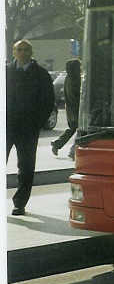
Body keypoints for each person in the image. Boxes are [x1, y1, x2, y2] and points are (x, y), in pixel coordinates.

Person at [6, 39, 55, 216]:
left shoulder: (41, 74)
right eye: (19, 49)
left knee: (26, 168)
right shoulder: (6, 72)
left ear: (31, 52)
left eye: (26, 50)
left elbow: (48, 101)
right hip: (6, 128)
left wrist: (37, 122)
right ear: (13, 52)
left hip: (28, 129)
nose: (23, 53)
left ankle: (19, 203)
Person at [51, 58, 81, 159]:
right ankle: (73, 151)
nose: (80, 69)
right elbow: (78, 95)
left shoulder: (68, 78)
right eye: (79, 67)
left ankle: (57, 144)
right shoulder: (75, 79)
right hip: (77, 109)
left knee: (72, 129)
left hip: (70, 109)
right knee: (81, 130)